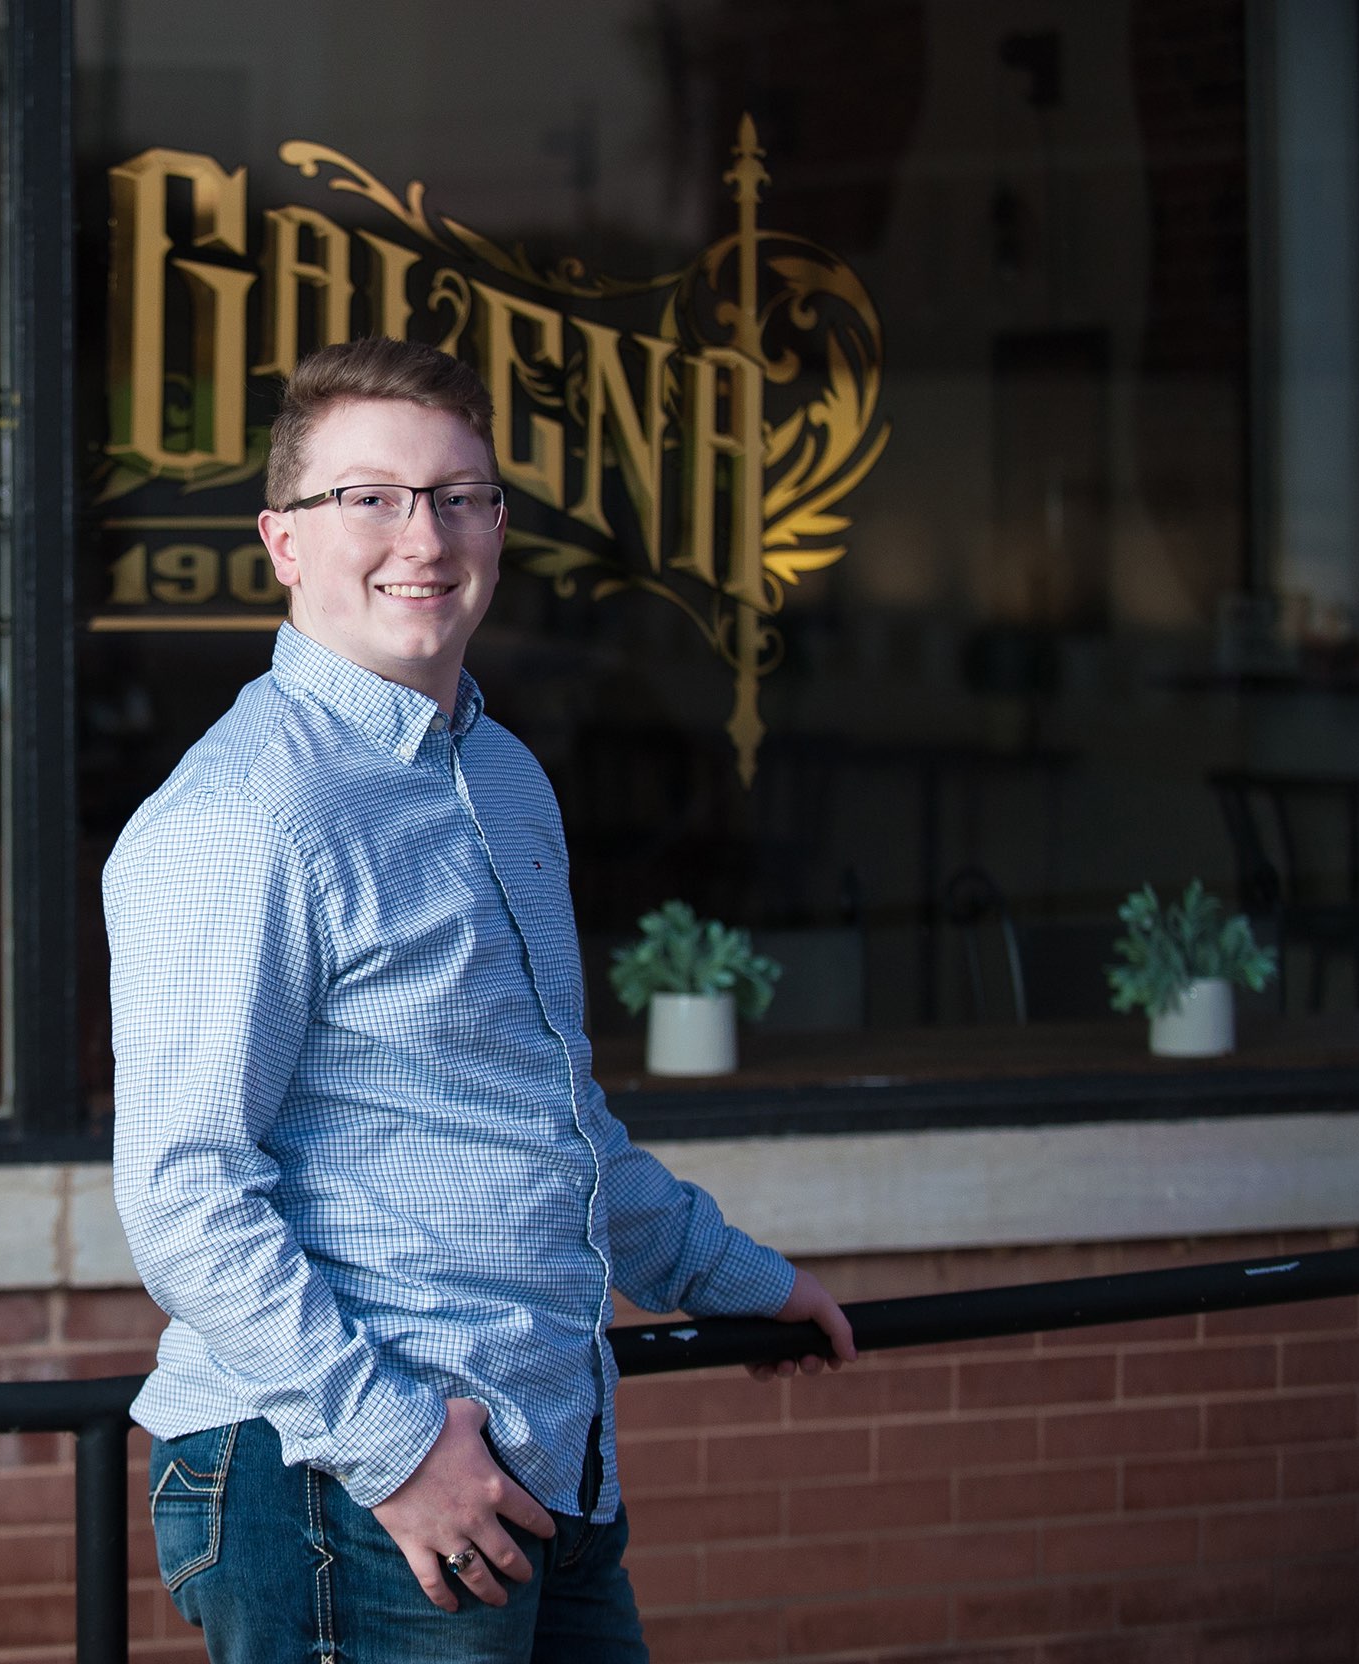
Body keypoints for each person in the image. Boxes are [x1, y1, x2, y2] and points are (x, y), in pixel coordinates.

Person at [105, 336, 857, 1663]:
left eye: (461, 496)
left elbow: (542, 1123)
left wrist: (728, 1276)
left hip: (538, 1459)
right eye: (372, 498)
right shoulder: (248, 814)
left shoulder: (498, 777)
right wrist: (400, 1453)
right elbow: (184, 1192)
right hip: (345, 1485)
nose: (427, 536)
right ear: (283, 541)